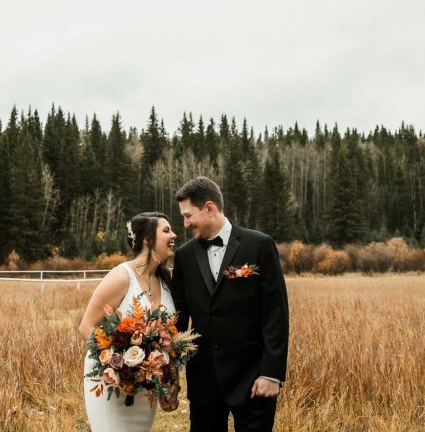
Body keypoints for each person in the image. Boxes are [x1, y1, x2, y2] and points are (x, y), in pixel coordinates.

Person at [170, 176, 289, 432]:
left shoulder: (260, 245)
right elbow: (178, 321)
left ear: (209, 208)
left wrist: (271, 374)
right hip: (203, 380)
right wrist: (170, 375)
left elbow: (276, 313)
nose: (185, 223)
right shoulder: (184, 256)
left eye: (188, 215)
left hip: (253, 377)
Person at [79, 212, 179, 431]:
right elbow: (86, 326)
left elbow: (170, 339)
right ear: (148, 239)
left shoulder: (166, 280)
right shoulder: (121, 276)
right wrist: (119, 367)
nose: (174, 235)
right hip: (110, 383)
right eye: (166, 230)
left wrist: (172, 382)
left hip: (147, 388)